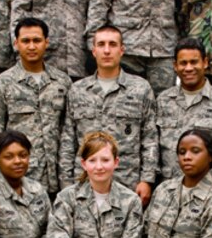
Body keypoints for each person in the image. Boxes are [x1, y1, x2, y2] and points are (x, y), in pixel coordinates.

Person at [59, 25, 157, 204]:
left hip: (127, 181)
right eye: (101, 44)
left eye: (112, 44)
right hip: (84, 182)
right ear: (93, 50)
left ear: (122, 50)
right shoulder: (77, 90)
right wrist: (66, 182)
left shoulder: (141, 89)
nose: (106, 50)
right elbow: (68, 140)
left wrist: (147, 179)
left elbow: (150, 138)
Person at [0, 17, 71, 195]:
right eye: (25, 41)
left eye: (36, 40)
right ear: (16, 43)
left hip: (58, 177)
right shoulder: (3, 83)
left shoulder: (62, 82)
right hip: (18, 178)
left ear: (46, 42)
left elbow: (70, 131)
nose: (31, 46)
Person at [154, 38, 212, 189]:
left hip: (207, 192)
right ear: (175, 66)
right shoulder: (162, 101)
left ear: (205, 63)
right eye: (183, 63)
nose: (188, 68)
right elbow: (152, 146)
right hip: (168, 191)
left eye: (194, 62)